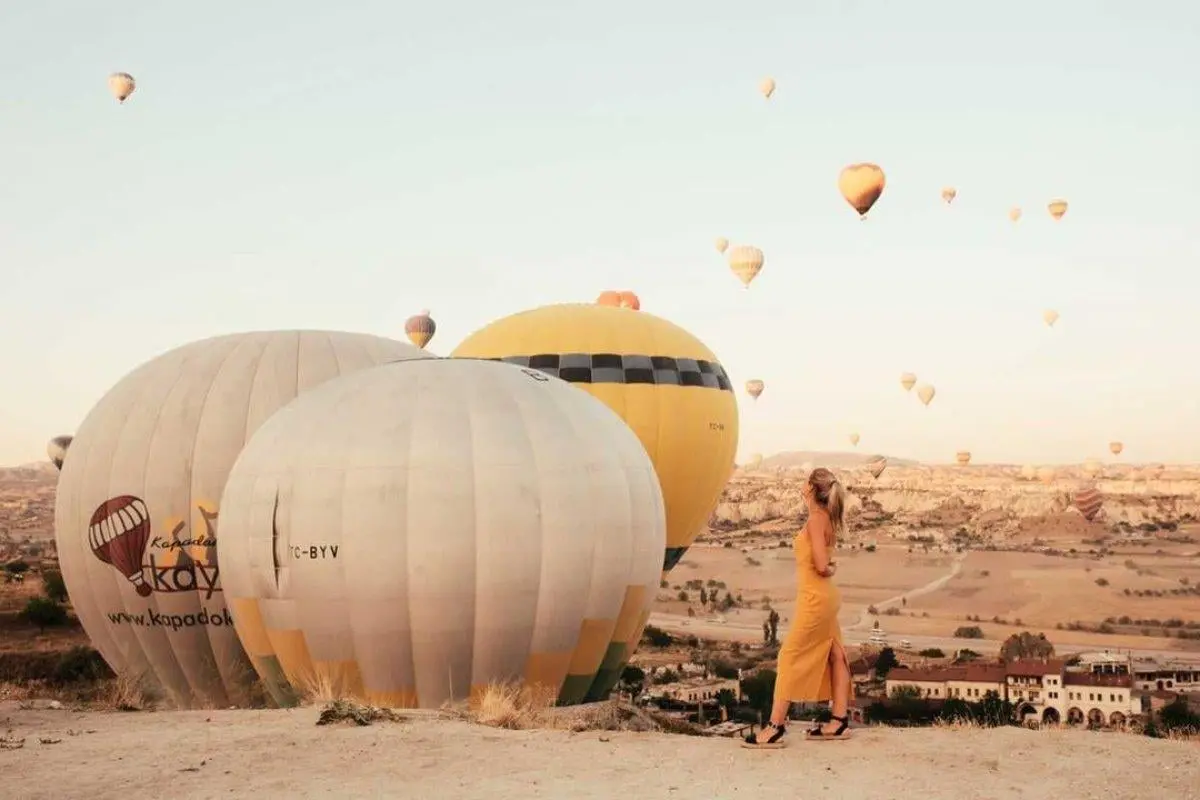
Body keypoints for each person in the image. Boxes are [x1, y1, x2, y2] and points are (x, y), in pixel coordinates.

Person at [743, 467, 852, 748]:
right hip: (825, 597)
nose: (801, 487)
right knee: (835, 654)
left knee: (789, 656)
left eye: (805, 483)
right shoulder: (826, 518)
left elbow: (819, 564)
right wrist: (829, 569)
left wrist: (828, 569)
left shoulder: (816, 519)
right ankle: (838, 722)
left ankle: (774, 727)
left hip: (814, 598)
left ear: (812, 490)